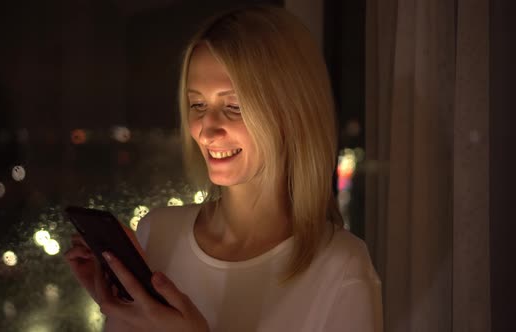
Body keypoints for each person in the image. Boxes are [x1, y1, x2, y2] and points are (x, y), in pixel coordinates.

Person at [66, 5, 382, 332]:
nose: (207, 129)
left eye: (233, 106)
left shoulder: (341, 268)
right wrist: (116, 311)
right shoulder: (157, 233)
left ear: (292, 114)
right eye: (198, 105)